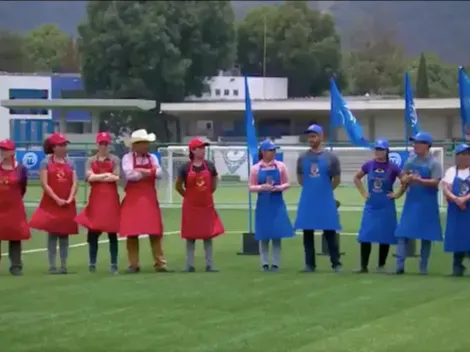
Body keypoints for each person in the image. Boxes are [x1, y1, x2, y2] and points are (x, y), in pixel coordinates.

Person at [353, 138, 406, 273]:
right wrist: (364, 192)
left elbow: (405, 180)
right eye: (376, 149)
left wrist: (398, 194)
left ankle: (381, 265)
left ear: (386, 151)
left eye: (381, 149)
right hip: (371, 204)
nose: (378, 152)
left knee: (385, 235)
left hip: (386, 205)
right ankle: (363, 266)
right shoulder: (369, 165)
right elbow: (356, 177)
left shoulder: (393, 167)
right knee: (366, 234)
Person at [294, 124, 342, 272]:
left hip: (325, 199)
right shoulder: (302, 158)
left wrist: (325, 191)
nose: (311, 139)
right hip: (308, 199)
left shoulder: (331, 157)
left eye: (314, 136)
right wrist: (311, 190)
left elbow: (337, 179)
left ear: (321, 137)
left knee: (330, 231)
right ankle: (309, 264)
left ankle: (336, 263)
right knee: (307, 232)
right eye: (309, 136)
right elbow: (301, 178)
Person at [119, 129, 168, 273]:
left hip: (149, 197)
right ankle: (133, 264)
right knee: (132, 232)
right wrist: (149, 172)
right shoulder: (127, 158)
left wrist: (143, 172)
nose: (147, 146)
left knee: (155, 231)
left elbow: (159, 173)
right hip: (133, 199)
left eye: (147, 143)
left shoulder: (152, 157)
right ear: (135, 145)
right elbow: (129, 175)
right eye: (144, 143)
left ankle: (160, 263)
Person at [29, 133, 78, 274]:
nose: (64, 148)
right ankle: (52, 265)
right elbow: (44, 183)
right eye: (61, 145)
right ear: (54, 147)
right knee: (52, 235)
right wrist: (57, 199)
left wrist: (70, 198)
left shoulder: (71, 162)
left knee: (64, 235)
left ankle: (64, 264)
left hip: (67, 203)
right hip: (52, 203)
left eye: (65, 145)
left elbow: (74, 182)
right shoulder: (46, 162)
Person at [395, 131, 442, 275]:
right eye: (414, 143)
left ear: (426, 145)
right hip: (412, 201)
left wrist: (419, 180)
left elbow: (436, 182)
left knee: (426, 235)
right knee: (403, 233)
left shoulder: (434, 163)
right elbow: (403, 178)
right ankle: (399, 266)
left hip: (427, 202)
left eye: (418, 143)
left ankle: (423, 267)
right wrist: (405, 180)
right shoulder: (411, 161)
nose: (415, 145)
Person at [175, 137, 224, 272]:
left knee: (208, 235)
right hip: (190, 206)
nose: (203, 150)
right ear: (193, 150)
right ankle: (189, 265)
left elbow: (214, 183)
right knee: (190, 236)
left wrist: (207, 195)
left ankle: (209, 264)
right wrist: (188, 197)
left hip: (206, 205)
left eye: (204, 148)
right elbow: (178, 186)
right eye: (200, 148)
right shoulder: (185, 168)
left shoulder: (210, 166)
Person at [75, 132, 121, 274]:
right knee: (93, 231)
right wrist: (105, 175)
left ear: (109, 145)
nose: (103, 146)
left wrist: (98, 177)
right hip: (96, 199)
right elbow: (89, 177)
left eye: (106, 144)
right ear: (97, 145)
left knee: (112, 232)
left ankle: (114, 263)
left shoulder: (114, 159)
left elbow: (116, 177)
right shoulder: (90, 160)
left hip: (111, 199)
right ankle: (92, 262)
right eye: (101, 143)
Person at [249, 139, 294, 272]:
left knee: (276, 234)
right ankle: (264, 263)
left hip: (277, 202)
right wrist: (261, 187)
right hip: (263, 203)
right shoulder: (256, 168)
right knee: (264, 234)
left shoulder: (280, 166)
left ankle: (275, 263)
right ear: (263, 152)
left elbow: (288, 183)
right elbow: (251, 187)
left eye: (274, 150)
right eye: (270, 150)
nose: (273, 152)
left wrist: (279, 188)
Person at [0, 139, 30, 276]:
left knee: (15, 236)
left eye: (5, 149)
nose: (3, 152)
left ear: (12, 151)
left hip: (14, 208)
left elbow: (23, 187)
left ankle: (16, 266)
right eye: (1, 149)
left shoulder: (21, 168)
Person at [442, 143, 470, 276]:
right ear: (457, 156)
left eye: (467, 154)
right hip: (456, 210)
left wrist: (465, 199)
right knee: (457, 237)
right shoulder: (451, 171)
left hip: (468, 209)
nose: (465, 157)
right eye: (462, 154)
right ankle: (457, 267)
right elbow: (446, 188)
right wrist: (456, 199)